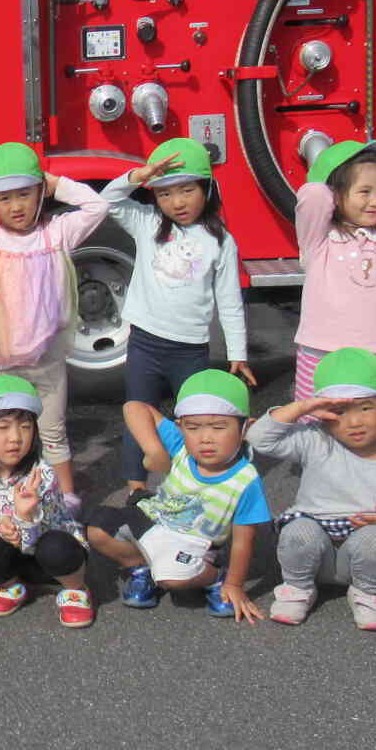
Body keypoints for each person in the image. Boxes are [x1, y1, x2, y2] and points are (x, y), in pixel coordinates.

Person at [0, 143, 106, 504]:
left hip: (47, 360)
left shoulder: (57, 232)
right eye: (4, 198)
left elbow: (98, 206)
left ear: (40, 193)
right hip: (2, 362)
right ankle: (2, 500)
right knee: (2, 439)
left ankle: (66, 501)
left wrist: (56, 182)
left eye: (26, 194)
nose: (16, 206)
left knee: (53, 433)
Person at [100, 137, 252, 497]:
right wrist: (141, 175)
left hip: (191, 349)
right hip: (146, 343)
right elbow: (107, 199)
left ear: (207, 189)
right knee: (137, 416)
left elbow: (230, 301)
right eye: (165, 194)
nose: (177, 202)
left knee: (194, 420)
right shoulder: (147, 223)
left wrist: (238, 353)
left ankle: (191, 485)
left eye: (187, 190)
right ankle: (136, 489)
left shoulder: (221, 241)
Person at [247, 347, 376, 631]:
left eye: (365, 407)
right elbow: (259, 439)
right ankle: (298, 588)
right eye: (339, 412)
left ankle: (368, 594)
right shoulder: (315, 443)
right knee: (298, 530)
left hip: (366, 559)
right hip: (314, 554)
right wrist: (301, 407)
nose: (355, 422)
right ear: (323, 414)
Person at [86, 370, 269, 623]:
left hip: (196, 543)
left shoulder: (245, 480)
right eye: (193, 427)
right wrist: (154, 448)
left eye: (218, 427)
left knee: (173, 578)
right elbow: (136, 407)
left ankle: (214, 577)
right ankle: (142, 568)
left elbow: (242, 540)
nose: (205, 438)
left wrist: (235, 584)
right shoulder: (181, 447)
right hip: (153, 520)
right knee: (97, 529)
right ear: (181, 427)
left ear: (245, 427)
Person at [0, 375, 94, 628]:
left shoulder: (42, 473)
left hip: (44, 555)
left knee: (56, 547)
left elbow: (51, 531)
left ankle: (76, 588)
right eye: (3, 427)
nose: (15, 438)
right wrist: (0, 528)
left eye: (26, 426)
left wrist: (26, 519)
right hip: (9, 554)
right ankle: (10, 585)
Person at [293, 140, 376, 402]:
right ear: (335, 196)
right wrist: (329, 182)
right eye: (364, 191)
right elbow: (313, 196)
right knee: (313, 412)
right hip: (321, 348)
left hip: (375, 348)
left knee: (373, 412)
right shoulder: (318, 241)